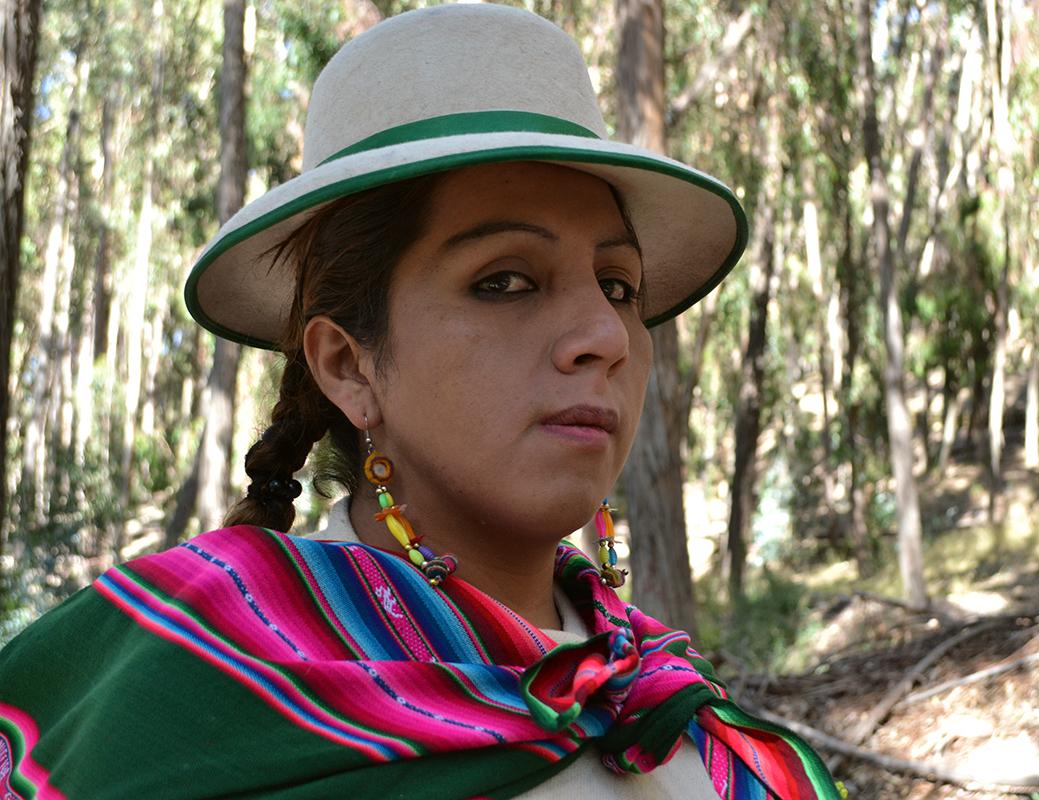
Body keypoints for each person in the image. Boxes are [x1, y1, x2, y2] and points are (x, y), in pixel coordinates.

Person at [0, 5, 838, 798]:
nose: (604, 336)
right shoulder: (188, 687)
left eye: (619, 286)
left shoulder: (671, 705)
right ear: (349, 367)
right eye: (505, 281)